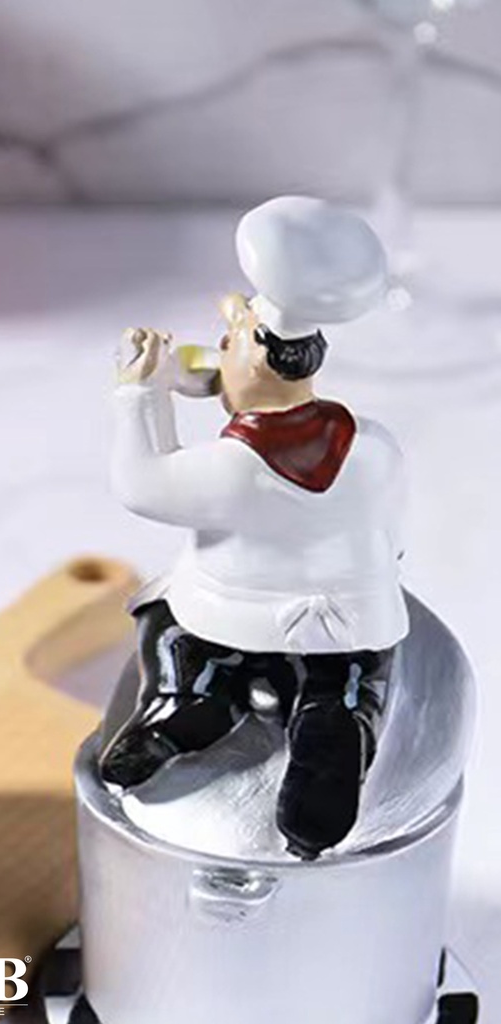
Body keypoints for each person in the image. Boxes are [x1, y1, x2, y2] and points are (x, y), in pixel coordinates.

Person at [99, 196, 408, 859]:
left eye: (228, 345)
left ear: (260, 363)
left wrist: (140, 393)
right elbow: (392, 534)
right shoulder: (375, 445)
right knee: (357, 668)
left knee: (171, 629)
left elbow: (141, 483)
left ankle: (191, 703)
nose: (219, 355)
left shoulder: (232, 470)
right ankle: (340, 712)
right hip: (351, 622)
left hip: (235, 616)